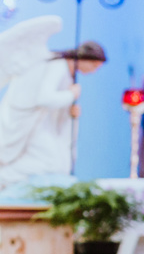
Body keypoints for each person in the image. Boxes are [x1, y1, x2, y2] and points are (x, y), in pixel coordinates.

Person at [0, 39, 105, 188]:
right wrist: (70, 95)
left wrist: (69, 110)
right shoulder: (57, 66)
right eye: (94, 65)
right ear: (83, 58)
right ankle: (4, 178)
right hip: (33, 124)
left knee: (56, 163)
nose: (94, 70)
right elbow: (44, 98)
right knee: (47, 161)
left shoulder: (67, 73)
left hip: (45, 124)